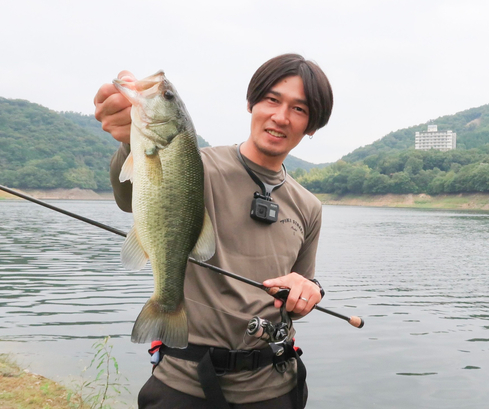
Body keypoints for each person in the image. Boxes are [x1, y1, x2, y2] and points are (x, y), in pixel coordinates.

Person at [94, 53, 333, 409]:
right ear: (252, 103)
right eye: (272, 100)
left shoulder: (309, 206)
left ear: (311, 125)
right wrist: (130, 140)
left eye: (299, 109)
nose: (281, 117)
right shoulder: (195, 162)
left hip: (274, 387)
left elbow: (298, 294)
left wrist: (309, 290)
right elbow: (129, 196)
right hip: (183, 385)